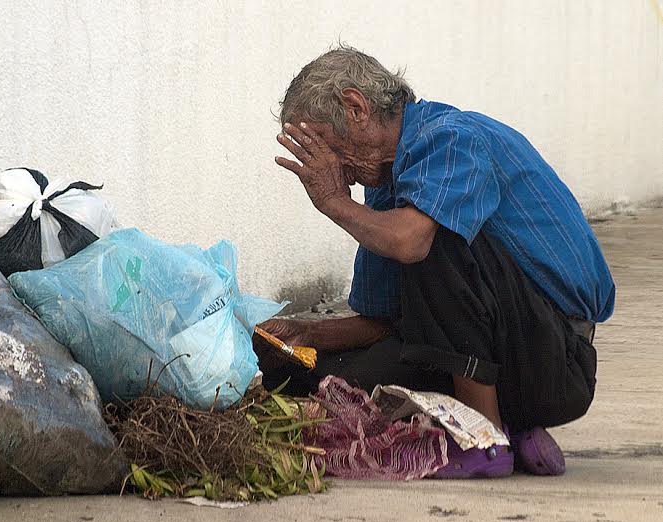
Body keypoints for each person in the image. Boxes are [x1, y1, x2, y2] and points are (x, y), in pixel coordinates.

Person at [259, 46, 615, 478]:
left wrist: (334, 202)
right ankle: (514, 427)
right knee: (313, 379)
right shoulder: (389, 181)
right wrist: (305, 334)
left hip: (556, 360)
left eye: (322, 149)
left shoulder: (449, 139)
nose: (333, 169)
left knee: (434, 236)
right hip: (503, 358)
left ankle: (482, 439)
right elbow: (386, 320)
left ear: (355, 107)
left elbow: (412, 244)